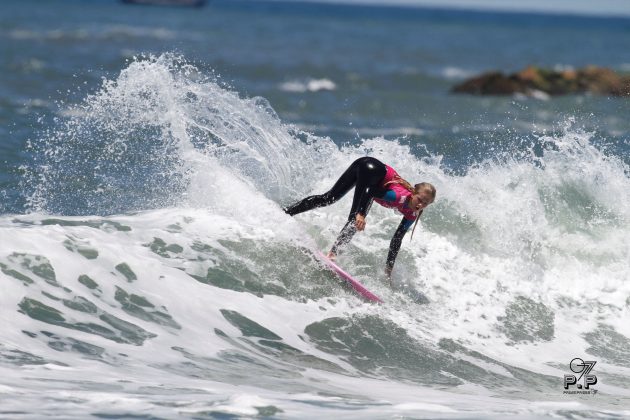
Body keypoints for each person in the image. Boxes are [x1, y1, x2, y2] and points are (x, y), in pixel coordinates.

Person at [283, 156, 436, 279]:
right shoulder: (398, 197)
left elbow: (397, 239)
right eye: (420, 199)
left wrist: (389, 267)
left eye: (426, 203)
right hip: (372, 169)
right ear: (413, 193)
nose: (420, 204)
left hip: (365, 165)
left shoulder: (412, 215)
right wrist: (361, 214)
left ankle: (286, 212)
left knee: (329, 199)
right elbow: (369, 191)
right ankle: (332, 254)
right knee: (352, 216)